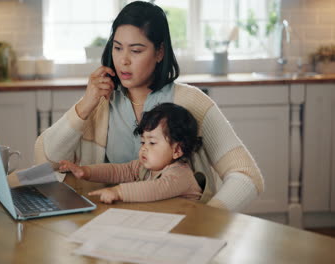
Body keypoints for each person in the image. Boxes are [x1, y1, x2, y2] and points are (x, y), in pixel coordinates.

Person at [35, 1, 264, 211]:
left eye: (136, 51)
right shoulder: (99, 102)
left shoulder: (191, 102)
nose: (123, 60)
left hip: (178, 231)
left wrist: (209, 218)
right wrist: (85, 106)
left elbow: (246, 175)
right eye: (117, 48)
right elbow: (45, 160)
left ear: (159, 52)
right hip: (108, 226)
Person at [59, 103, 203, 204]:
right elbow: (118, 171)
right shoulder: (144, 168)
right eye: (142, 142)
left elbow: (154, 189)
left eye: (152, 143)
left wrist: (118, 192)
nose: (144, 148)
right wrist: (86, 171)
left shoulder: (180, 175)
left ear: (177, 150)